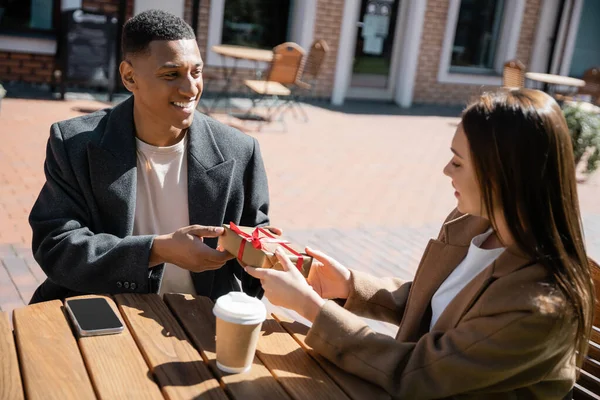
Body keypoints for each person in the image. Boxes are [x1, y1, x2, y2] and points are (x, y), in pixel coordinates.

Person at [245, 88, 594, 399]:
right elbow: (441, 303)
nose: (446, 170)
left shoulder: (539, 306)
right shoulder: (474, 222)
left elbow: (416, 373)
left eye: (457, 161)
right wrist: (351, 286)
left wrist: (312, 309)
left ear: (503, 175)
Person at [28, 9, 273, 303]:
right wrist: (156, 250)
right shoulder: (73, 144)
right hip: (104, 308)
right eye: (171, 74)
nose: (191, 88)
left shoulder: (240, 149)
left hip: (203, 316)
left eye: (196, 72)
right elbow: (56, 246)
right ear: (129, 77)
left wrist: (266, 256)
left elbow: (255, 262)